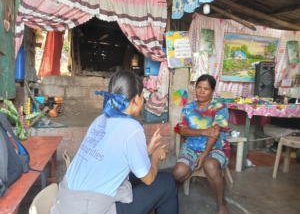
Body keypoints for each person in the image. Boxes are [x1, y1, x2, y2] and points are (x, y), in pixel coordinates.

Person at [51, 71, 178, 214]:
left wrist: (146, 150)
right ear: (136, 98)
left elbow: (112, 155)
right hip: (90, 208)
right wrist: (155, 156)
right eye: (143, 96)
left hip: (65, 202)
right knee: (167, 182)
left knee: (135, 177)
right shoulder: (132, 127)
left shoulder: (100, 119)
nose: (143, 101)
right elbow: (148, 179)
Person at [172, 74, 230, 214]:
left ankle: (221, 204)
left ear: (212, 91)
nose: (202, 91)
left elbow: (215, 133)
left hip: (216, 147)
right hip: (191, 147)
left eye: (206, 89)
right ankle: (172, 194)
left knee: (210, 165)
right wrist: (204, 131)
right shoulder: (188, 108)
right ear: (195, 88)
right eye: (199, 87)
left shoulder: (220, 106)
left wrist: (203, 155)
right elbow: (183, 131)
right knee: (179, 172)